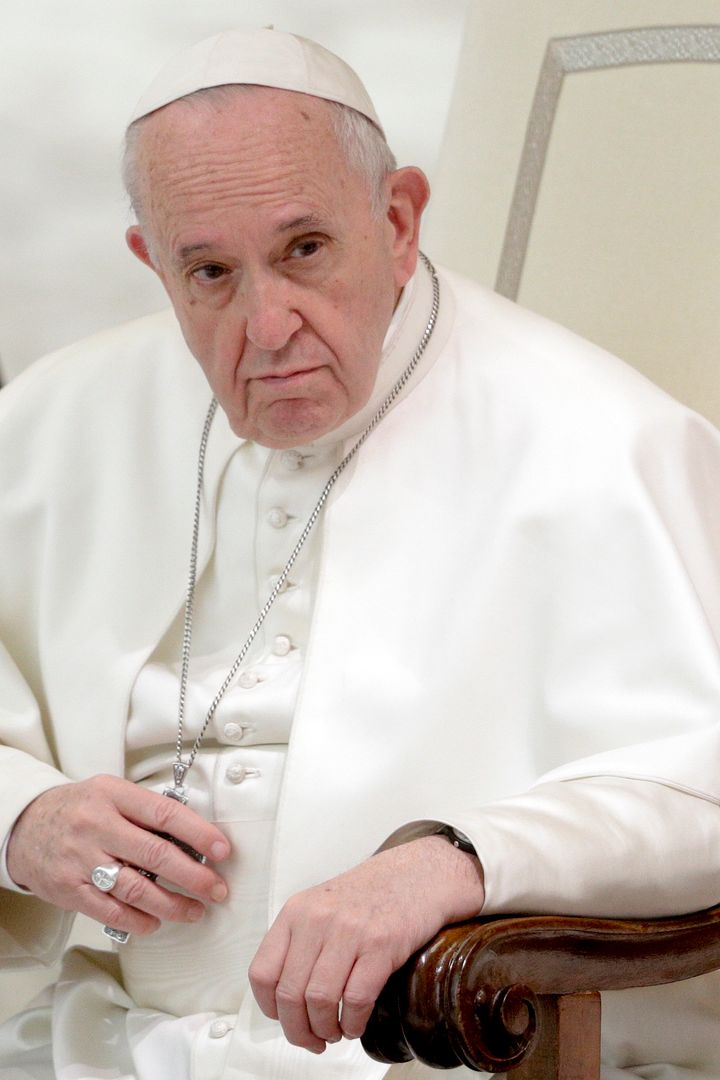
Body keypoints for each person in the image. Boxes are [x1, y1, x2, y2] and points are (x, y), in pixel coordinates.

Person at [1, 25, 720, 1080]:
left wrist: (460, 862)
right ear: (153, 263)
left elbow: (700, 786)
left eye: (303, 251)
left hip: (440, 1061)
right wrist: (22, 814)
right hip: (85, 1044)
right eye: (209, 272)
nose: (267, 325)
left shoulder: (605, 442)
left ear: (395, 220)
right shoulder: (52, 418)